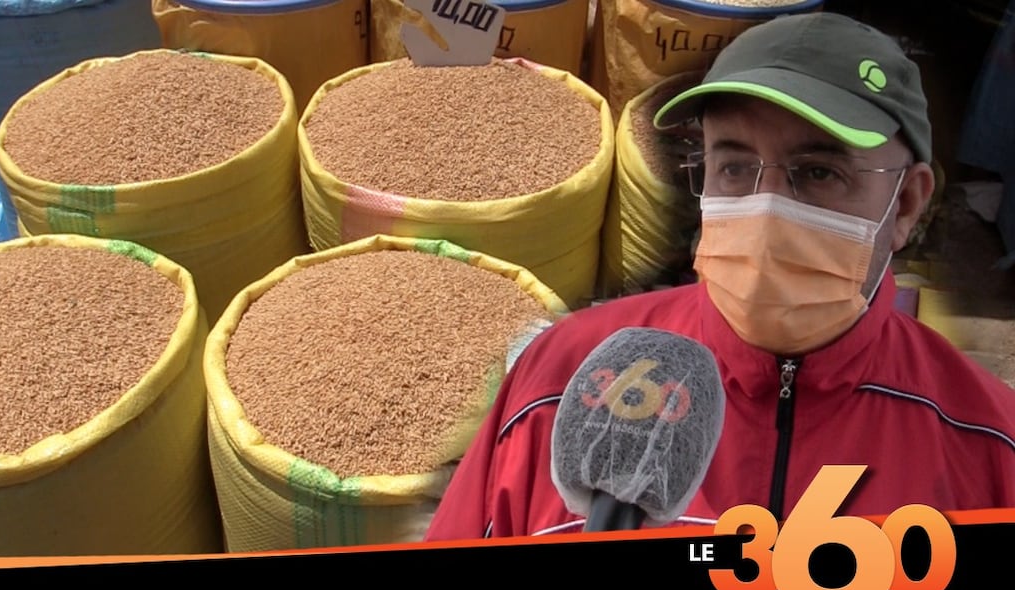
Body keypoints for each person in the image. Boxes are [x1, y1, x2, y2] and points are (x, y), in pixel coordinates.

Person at [424, 11, 1015, 541]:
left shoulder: (989, 443)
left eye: (817, 173)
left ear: (906, 203)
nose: (765, 210)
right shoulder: (565, 376)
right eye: (733, 166)